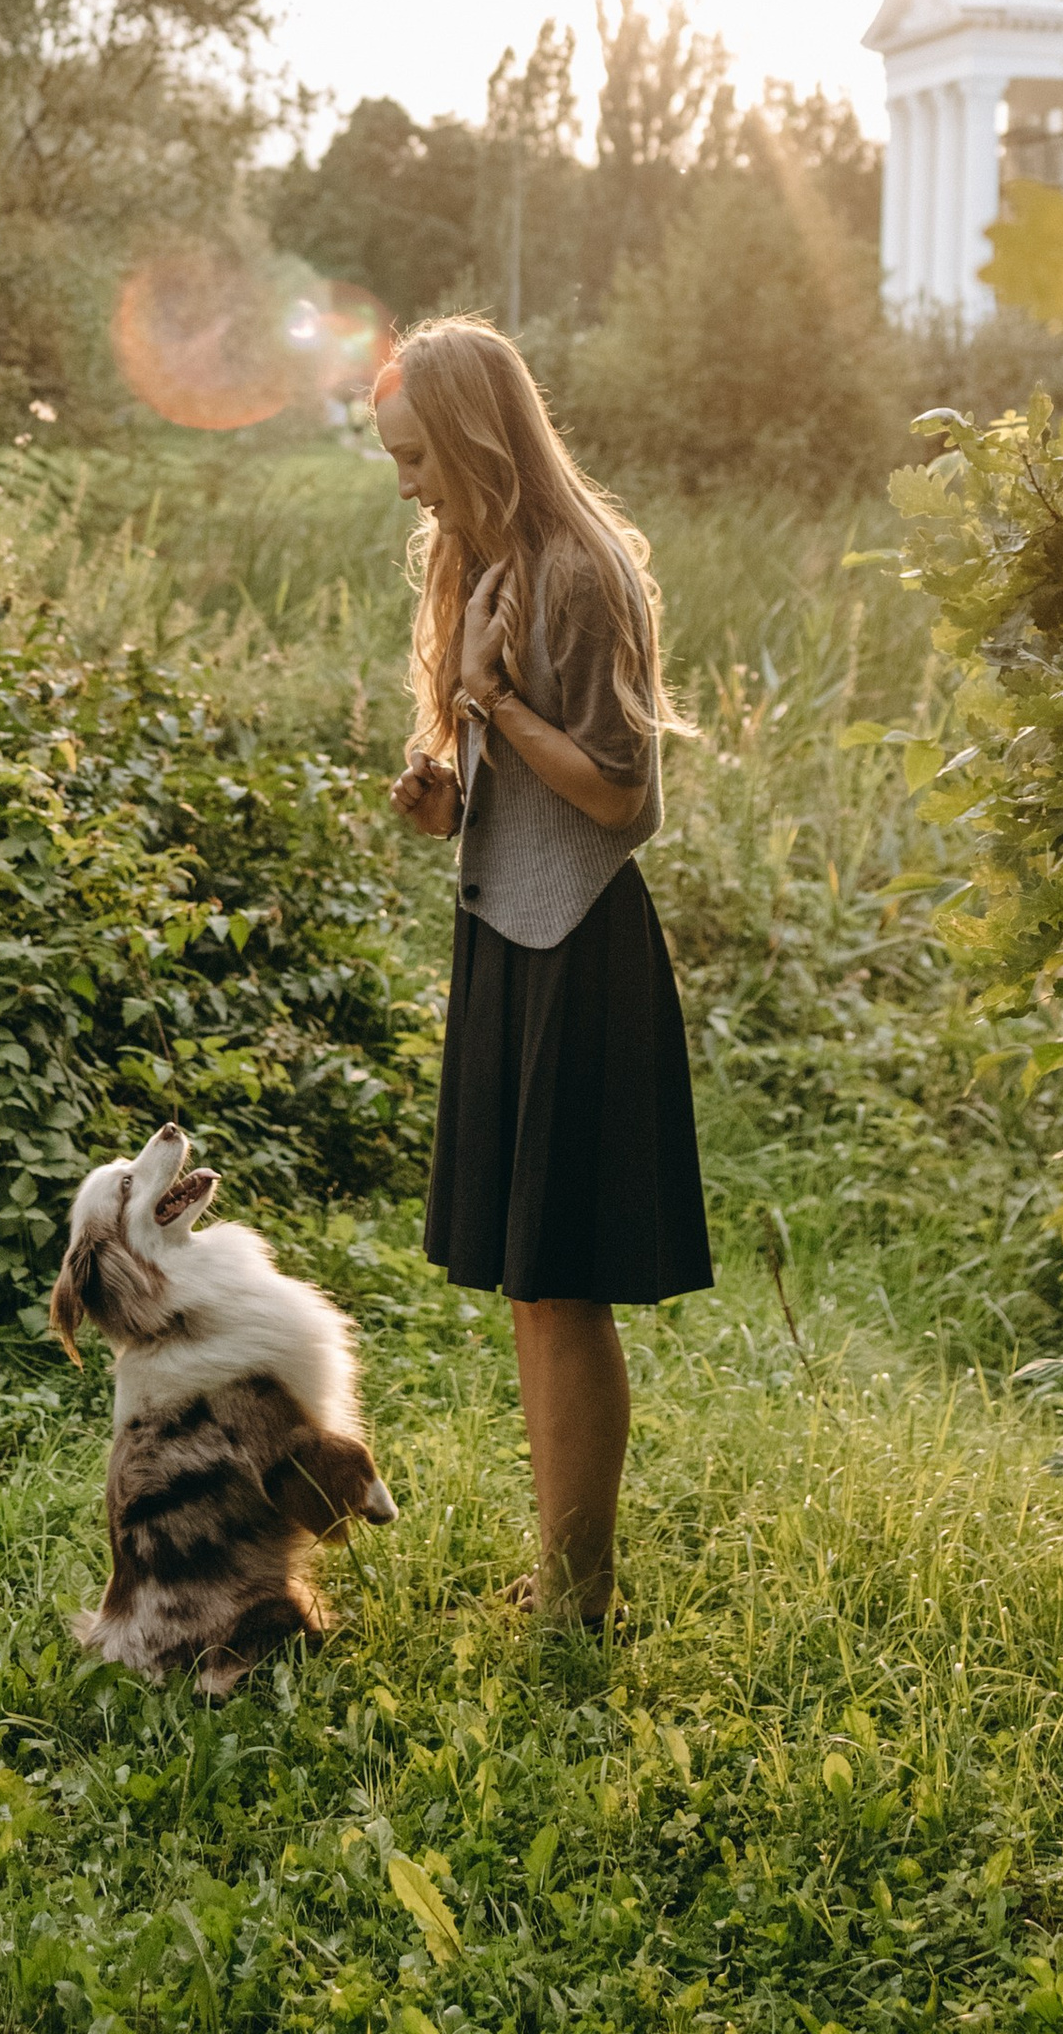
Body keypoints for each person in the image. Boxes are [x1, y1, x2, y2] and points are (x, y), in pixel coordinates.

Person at [376, 315, 712, 1627]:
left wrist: (498, 706)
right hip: (504, 928)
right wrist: (444, 784)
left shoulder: (578, 570)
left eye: (416, 456)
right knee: (530, 1281)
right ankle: (565, 1578)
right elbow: (505, 773)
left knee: (560, 1282)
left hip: (578, 945)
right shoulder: (476, 553)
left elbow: (624, 799)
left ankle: (581, 1593)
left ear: (472, 439)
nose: (404, 481)